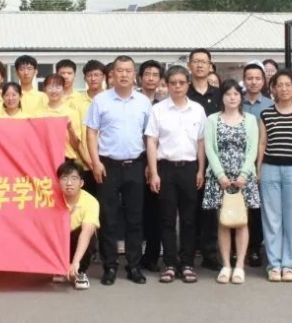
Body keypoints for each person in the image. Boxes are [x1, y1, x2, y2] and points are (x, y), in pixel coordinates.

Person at [85, 56, 153, 286]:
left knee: (135, 218)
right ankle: (110, 266)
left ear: (134, 74)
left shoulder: (143, 102)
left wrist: (149, 165)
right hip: (108, 166)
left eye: (128, 70)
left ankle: (134, 266)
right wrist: (95, 162)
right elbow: (91, 132)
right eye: (119, 70)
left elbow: (149, 136)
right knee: (108, 218)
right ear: (112, 74)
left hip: (136, 165)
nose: (124, 75)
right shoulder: (101, 100)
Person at [146, 66, 207, 284]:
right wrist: (154, 173)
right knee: (167, 218)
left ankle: (187, 263)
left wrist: (201, 169)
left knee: (189, 219)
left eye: (182, 82)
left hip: (190, 168)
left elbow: (201, 142)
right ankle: (170, 263)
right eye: (173, 83)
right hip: (166, 168)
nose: (177, 86)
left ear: (188, 84)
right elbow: (151, 141)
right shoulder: (158, 110)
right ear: (167, 85)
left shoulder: (197, 110)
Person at [258, 70, 292, 283]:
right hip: (270, 168)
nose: (284, 89)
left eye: (288, 84)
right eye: (279, 85)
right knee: (271, 219)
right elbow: (262, 143)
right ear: (273, 88)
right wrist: (259, 169)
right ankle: (274, 265)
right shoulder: (266, 114)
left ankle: (289, 265)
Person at [203, 79, 260, 285]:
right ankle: (226, 264)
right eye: (228, 94)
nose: (232, 98)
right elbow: (209, 148)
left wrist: (244, 174)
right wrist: (220, 175)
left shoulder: (250, 120)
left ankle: (240, 265)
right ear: (222, 98)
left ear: (240, 97)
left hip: (243, 178)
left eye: (236, 94)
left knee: (242, 221)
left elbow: (253, 148)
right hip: (220, 177)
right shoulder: (212, 120)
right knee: (224, 221)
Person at [186, 49, 221, 270]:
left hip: (214, 159)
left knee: (209, 209)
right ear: (189, 65)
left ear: (210, 66)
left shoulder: (219, 94)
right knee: (189, 209)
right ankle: (187, 254)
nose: (200, 65)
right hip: (189, 158)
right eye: (196, 61)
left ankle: (210, 254)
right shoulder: (183, 92)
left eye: (204, 62)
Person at [239, 61, 271, 267]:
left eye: (257, 78)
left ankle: (254, 249)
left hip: (262, 161)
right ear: (244, 80)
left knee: (256, 208)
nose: (253, 82)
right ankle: (236, 249)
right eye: (249, 78)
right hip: (236, 161)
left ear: (264, 81)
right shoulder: (236, 101)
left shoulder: (270, 104)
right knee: (237, 206)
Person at [137, 59, 164, 272]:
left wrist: (151, 163)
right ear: (140, 78)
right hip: (136, 160)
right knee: (136, 210)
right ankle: (134, 255)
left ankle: (152, 255)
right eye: (147, 74)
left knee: (155, 211)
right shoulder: (133, 101)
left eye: (155, 74)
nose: (151, 78)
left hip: (157, 163)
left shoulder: (163, 106)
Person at [57, 161, 98, 290]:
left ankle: (80, 272)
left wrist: (75, 262)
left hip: (77, 238)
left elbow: (86, 232)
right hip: (59, 238)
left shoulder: (91, 202)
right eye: (64, 178)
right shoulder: (50, 199)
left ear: (81, 183)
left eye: (74, 179)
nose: (69, 183)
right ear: (58, 182)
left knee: (89, 233)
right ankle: (58, 267)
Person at [44, 75, 89, 169]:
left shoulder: (71, 113)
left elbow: (76, 145)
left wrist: (70, 129)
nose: (54, 91)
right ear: (44, 89)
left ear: (63, 89)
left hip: (66, 160)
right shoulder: (38, 114)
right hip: (45, 159)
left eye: (58, 87)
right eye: (50, 87)